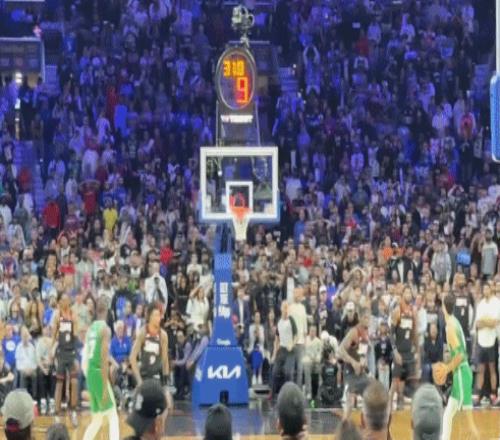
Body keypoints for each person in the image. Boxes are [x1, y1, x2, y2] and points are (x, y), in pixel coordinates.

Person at [440, 294, 479, 440]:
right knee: (448, 414)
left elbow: (460, 356)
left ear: (443, 307)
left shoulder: (450, 327)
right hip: (460, 374)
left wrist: (446, 369)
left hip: (462, 373)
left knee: (468, 423)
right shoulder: (454, 321)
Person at [82, 298, 120, 440]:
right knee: (113, 415)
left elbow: (88, 354)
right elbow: (103, 359)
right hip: (98, 372)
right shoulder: (105, 329)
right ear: (107, 311)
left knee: (97, 418)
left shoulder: (91, 328)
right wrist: (104, 386)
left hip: (90, 373)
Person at [51, 292, 78, 425]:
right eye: (63, 300)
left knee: (74, 382)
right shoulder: (57, 315)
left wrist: (74, 327)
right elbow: (53, 335)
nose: (66, 302)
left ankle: (73, 410)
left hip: (71, 351)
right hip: (61, 352)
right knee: (59, 383)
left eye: (67, 299)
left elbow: (76, 334)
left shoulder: (73, 315)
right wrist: (51, 351)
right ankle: (56, 413)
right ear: (60, 301)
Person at [389, 288, 419, 409]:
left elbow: (414, 333)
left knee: (410, 380)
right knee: (395, 381)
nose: (408, 294)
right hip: (399, 351)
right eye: (406, 292)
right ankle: (388, 409)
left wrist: (416, 349)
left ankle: (403, 404)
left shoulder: (413, 312)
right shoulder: (398, 311)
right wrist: (395, 351)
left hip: (409, 351)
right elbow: (391, 333)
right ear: (402, 295)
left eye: (410, 293)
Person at [338, 310, 371, 418]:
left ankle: (366, 423)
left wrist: (364, 363)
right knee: (350, 403)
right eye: (365, 317)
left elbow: (362, 352)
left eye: (369, 318)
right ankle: (344, 424)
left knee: (371, 397)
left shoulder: (367, 332)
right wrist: (353, 362)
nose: (368, 320)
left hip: (361, 372)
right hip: (350, 372)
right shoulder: (354, 332)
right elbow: (340, 350)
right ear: (360, 318)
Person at [130, 303, 170, 386]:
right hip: (143, 374)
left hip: (157, 374)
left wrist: (165, 381)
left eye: (159, 315)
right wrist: (139, 380)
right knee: (139, 394)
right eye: (156, 315)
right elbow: (132, 357)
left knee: (165, 394)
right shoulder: (142, 332)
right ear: (150, 317)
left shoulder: (163, 335)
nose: (158, 318)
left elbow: (165, 360)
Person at [473, 283, 499, 405]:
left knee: (492, 369)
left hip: (492, 340)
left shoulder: (497, 303)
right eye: (484, 289)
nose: (485, 290)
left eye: (487, 288)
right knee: (481, 369)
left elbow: (495, 322)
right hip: (481, 341)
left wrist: (485, 321)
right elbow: (478, 324)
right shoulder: (481, 304)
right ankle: (478, 395)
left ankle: (493, 395)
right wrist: (487, 321)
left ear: (491, 289)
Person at [271, 301, 296, 396]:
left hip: (290, 351)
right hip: (281, 350)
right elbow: (276, 339)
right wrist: (274, 354)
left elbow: (296, 336)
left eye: (287, 307)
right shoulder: (279, 321)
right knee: (274, 371)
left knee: (288, 373)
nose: (285, 309)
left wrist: (292, 344)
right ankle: (273, 393)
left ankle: (288, 394)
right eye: (284, 307)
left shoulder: (291, 320)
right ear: (281, 309)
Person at [15, 326, 37, 399]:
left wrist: (32, 369)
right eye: (23, 336)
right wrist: (24, 370)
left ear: (28, 336)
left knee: (35, 375)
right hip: (23, 370)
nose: (25, 337)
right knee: (22, 375)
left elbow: (35, 361)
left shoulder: (32, 347)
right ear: (21, 337)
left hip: (31, 369)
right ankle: (23, 398)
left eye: (26, 336)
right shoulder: (18, 348)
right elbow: (18, 364)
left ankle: (34, 398)